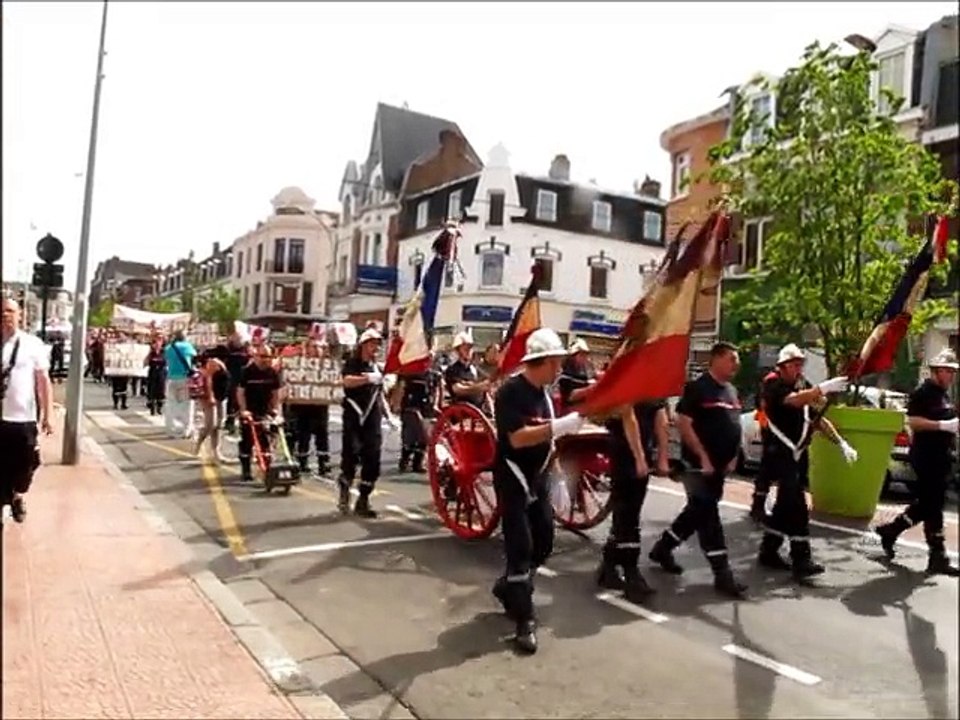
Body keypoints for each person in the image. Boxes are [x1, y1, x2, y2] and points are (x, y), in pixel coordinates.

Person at [491, 328, 584, 654]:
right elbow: (517, 438)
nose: (560, 368)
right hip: (512, 476)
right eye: (556, 362)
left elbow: (548, 439)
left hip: (539, 474)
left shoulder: (545, 395)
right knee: (521, 547)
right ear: (540, 362)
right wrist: (561, 425)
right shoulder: (509, 393)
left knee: (544, 542)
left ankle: (509, 588)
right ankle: (524, 619)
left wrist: (557, 471)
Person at [646, 342, 749, 598]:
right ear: (716, 360)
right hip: (697, 467)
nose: (736, 365)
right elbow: (684, 423)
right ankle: (722, 574)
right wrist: (703, 457)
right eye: (731, 359)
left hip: (721, 467)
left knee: (696, 513)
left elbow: (735, 424)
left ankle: (662, 548)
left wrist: (734, 456)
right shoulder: (697, 388)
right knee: (708, 515)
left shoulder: (731, 391)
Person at [755, 344, 856, 580]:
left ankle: (768, 551)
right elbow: (793, 401)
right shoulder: (773, 384)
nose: (798, 369)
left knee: (783, 506)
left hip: (798, 453)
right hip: (779, 452)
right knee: (798, 505)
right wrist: (822, 388)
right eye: (793, 365)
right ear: (782, 367)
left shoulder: (803, 385)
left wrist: (841, 442)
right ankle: (802, 559)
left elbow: (817, 417)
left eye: (801, 364)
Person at [875, 349, 959, 576]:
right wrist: (943, 426)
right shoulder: (923, 393)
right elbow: (913, 421)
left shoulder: (943, 394)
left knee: (928, 505)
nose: (951, 376)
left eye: (953, 372)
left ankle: (890, 531)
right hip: (926, 456)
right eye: (947, 371)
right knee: (933, 506)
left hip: (941, 457)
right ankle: (937, 556)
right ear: (936, 371)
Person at [596, 398, 671, 603]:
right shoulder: (628, 380)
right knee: (627, 515)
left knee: (629, 513)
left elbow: (661, 419)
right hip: (623, 450)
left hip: (643, 449)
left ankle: (609, 566)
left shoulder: (653, 385)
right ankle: (631, 574)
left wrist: (662, 455)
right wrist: (639, 458)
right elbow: (628, 418)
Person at [1, 297, 53, 524]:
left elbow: (43, 380)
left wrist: (48, 416)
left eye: (10, 311)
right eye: (2, 311)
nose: (5, 315)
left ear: (19, 314)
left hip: (23, 418)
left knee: (28, 462)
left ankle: (17, 493)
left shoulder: (32, 344)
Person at [339, 328, 386, 517]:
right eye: (372, 343)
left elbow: (380, 394)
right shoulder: (353, 363)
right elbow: (347, 381)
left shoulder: (378, 367)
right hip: (354, 413)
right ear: (363, 345)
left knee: (373, 458)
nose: (375, 347)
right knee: (351, 454)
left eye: (377, 344)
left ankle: (363, 500)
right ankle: (344, 493)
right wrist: (367, 378)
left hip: (373, 415)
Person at [237, 344, 282, 482]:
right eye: (262, 356)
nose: (265, 359)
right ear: (255, 356)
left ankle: (267, 470)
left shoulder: (272, 372)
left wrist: (276, 410)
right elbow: (240, 392)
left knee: (265, 441)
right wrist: (244, 410)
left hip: (265, 411)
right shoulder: (246, 371)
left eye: (268, 356)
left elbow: (275, 393)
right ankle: (246, 470)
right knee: (247, 441)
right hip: (250, 409)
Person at [290, 337, 332, 477]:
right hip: (303, 405)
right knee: (303, 434)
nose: (316, 350)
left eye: (318, 347)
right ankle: (302, 462)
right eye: (313, 347)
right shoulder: (299, 365)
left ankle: (324, 463)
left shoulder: (326, 366)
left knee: (322, 434)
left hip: (320, 405)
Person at [398, 362, 435, 474]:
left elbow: (436, 390)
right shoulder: (408, 372)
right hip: (411, 405)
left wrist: (436, 405)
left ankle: (417, 462)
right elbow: (400, 387)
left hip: (426, 407)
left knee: (423, 437)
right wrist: (397, 404)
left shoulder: (433, 374)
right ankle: (405, 459)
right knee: (410, 435)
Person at [194, 350, 230, 461]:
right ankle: (199, 444)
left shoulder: (223, 366)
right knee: (211, 425)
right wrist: (211, 396)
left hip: (221, 397)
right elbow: (209, 380)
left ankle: (216, 452)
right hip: (211, 398)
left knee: (218, 426)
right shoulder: (214, 363)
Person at [163, 330, 198, 438]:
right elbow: (194, 357)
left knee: (171, 404)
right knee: (187, 405)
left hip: (171, 378)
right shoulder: (188, 346)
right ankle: (187, 430)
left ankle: (171, 429)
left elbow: (166, 359)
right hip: (185, 378)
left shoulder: (169, 348)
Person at [444, 331, 490, 410]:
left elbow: (485, 392)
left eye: (470, 348)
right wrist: (479, 387)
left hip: (479, 410)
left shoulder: (474, 369)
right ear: (458, 350)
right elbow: (458, 390)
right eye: (465, 348)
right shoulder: (452, 370)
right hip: (463, 411)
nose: (469, 350)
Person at [224, 330, 251, 434]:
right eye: (235, 337)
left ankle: (241, 422)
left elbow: (249, 361)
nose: (237, 340)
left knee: (242, 401)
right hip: (231, 378)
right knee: (232, 401)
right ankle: (230, 422)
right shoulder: (228, 349)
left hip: (243, 379)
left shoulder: (245, 350)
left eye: (239, 338)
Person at [557, 338, 595, 413]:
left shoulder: (585, 371)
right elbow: (569, 396)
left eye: (585, 355)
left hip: (581, 410)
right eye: (581, 355)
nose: (584, 358)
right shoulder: (565, 372)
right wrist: (591, 388)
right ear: (573, 355)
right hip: (567, 412)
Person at [144, 337, 167, 415]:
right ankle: (152, 407)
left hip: (161, 373)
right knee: (151, 389)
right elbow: (145, 362)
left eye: (159, 343)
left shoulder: (164, 352)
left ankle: (159, 407)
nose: (157, 345)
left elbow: (167, 362)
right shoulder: (151, 353)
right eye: (155, 343)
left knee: (160, 390)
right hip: (152, 372)